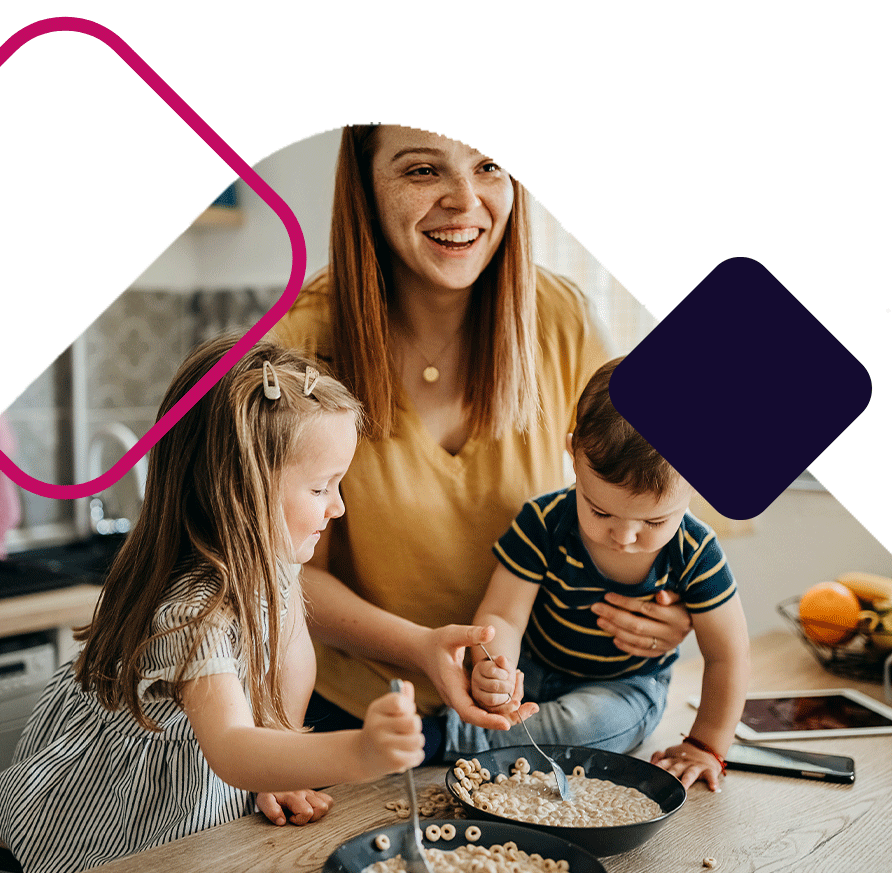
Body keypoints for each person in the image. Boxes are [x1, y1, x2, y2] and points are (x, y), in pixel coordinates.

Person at [274, 124, 695, 753]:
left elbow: (656, 482)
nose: (466, 200)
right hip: (361, 721)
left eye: (491, 165)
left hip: (530, 705)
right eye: (423, 170)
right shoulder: (300, 344)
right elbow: (284, 575)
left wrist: (670, 607)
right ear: (365, 185)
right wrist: (417, 647)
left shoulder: (561, 315)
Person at [0, 337, 426, 873]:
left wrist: (277, 759)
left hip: (207, 785)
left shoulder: (275, 562)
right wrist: (359, 753)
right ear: (244, 492)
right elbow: (233, 748)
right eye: (320, 488)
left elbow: (292, 661)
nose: (338, 506)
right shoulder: (192, 613)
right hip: (115, 814)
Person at [468, 358, 752, 789]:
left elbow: (727, 655)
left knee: (594, 727)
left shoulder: (695, 551)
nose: (623, 536)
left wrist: (706, 745)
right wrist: (499, 672)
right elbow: (503, 616)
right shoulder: (544, 521)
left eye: (653, 522)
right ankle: (479, 728)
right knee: (466, 682)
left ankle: (452, 739)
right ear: (574, 456)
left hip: (625, 684)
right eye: (599, 510)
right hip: (536, 666)